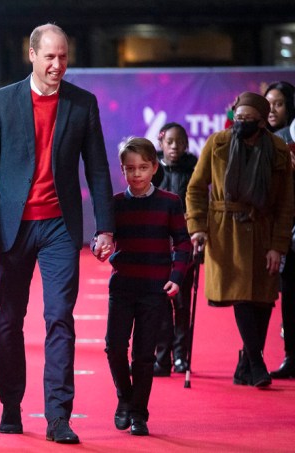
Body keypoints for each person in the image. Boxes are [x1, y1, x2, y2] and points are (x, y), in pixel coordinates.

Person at [0, 23, 115, 444]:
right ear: (31, 55)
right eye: (49, 56)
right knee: (10, 320)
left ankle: (58, 416)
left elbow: (98, 168)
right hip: (12, 226)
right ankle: (11, 405)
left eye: (63, 56)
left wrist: (105, 227)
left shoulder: (82, 104)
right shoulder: (0, 102)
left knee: (59, 318)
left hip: (60, 228)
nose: (57, 64)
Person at [185, 91, 294, 388]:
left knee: (263, 298)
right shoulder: (218, 143)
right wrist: (197, 226)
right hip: (225, 230)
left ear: (261, 122)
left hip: (263, 228)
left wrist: (277, 246)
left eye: (248, 120)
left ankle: (246, 361)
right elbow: (196, 188)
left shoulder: (277, 149)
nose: (241, 123)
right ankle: (258, 364)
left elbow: (285, 203)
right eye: (238, 118)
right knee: (241, 295)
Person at [105, 137, 192, 437]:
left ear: (155, 167)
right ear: (122, 170)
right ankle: (124, 399)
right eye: (130, 169)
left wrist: (177, 277)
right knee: (114, 347)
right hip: (122, 285)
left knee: (144, 355)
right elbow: (103, 237)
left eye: (143, 167)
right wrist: (98, 246)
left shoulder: (169, 202)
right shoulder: (115, 204)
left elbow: (183, 243)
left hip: (155, 288)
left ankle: (139, 413)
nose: (137, 174)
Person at [150, 123, 198, 376]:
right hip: (157, 245)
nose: (174, 147)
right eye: (170, 141)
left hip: (183, 244)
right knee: (159, 304)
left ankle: (181, 357)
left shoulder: (194, 168)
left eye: (179, 142)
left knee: (181, 304)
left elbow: (200, 203)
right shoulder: (152, 168)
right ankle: (162, 358)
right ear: (161, 142)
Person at [271, 82, 295, 379]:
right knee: (292, 295)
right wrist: (288, 170)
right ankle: (293, 356)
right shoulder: (281, 140)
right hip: (293, 231)